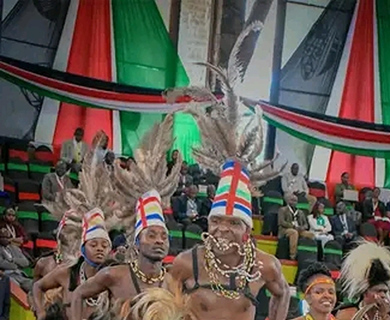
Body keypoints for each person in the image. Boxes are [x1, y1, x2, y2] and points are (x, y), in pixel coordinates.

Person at [168, 27, 290, 319]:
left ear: (247, 230)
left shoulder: (266, 266)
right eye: (217, 221)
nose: (222, 228)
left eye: (233, 222)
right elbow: (166, 306)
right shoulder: (186, 263)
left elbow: (283, 294)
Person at [69, 116, 183, 320]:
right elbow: (78, 294)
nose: (159, 240)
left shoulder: (174, 281)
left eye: (163, 237)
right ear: (137, 243)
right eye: (152, 235)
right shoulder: (114, 275)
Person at [32, 144, 115, 320]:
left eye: (104, 244)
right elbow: (37, 286)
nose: (100, 248)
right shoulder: (65, 271)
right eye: (94, 244)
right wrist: (40, 312)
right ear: (83, 247)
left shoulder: (114, 275)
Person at [335, 241, 390, 320]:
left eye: (384, 292)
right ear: (365, 292)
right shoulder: (348, 314)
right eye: (378, 291)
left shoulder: (388, 316)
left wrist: (384, 316)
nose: (383, 295)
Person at [279, 193, 315, 260]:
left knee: (311, 234)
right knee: (294, 232)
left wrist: (302, 227)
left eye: (295, 201)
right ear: (288, 201)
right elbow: (281, 222)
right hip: (285, 229)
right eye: (292, 200)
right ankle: (293, 255)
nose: (293, 202)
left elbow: (306, 225)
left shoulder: (300, 212)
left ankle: (308, 255)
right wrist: (293, 226)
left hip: (299, 229)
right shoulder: (282, 210)